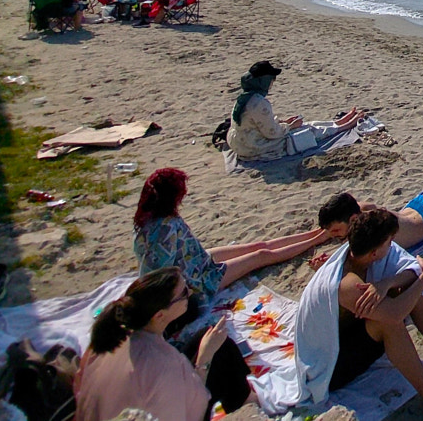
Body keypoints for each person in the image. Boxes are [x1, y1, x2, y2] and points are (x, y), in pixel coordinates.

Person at [294, 210, 423, 421]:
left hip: (351, 336)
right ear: (374, 253)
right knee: (389, 322)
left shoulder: (363, 251)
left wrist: (387, 283)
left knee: (415, 297)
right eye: (389, 242)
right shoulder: (348, 283)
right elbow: (395, 314)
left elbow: (410, 265)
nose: (393, 245)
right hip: (329, 366)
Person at [133, 168, 334, 310]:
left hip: (195, 260)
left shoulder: (150, 217)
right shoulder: (163, 229)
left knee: (258, 246)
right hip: (197, 279)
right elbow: (166, 277)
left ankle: (315, 233)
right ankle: (317, 238)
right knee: (261, 255)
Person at [74, 267, 225, 421]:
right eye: (184, 293)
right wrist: (205, 358)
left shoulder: (108, 336)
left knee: (205, 337)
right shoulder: (165, 364)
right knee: (219, 348)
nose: (191, 293)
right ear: (159, 315)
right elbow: (192, 414)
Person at [227, 60, 367, 162]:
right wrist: (290, 126)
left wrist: (283, 122)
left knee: (305, 124)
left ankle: (337, 122)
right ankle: (344, 126)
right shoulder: (259, 103)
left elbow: (258, 123)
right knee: (308, 132)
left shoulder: (244, 98)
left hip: (241, 142)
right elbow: (273, 133)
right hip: (255, 147)